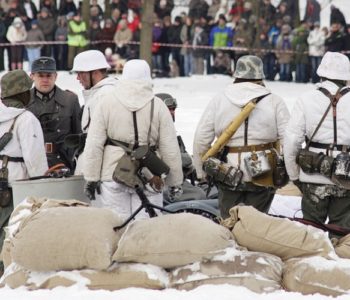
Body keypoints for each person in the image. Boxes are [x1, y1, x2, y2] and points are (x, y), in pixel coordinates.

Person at [82, 59, 183, 219]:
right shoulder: (158, 105)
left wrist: (91, 178)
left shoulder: (105, 103)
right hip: (149, 173)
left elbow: (94, 144)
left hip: (112, 173)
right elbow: (170, 147)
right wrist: (174, 182)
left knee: (117, 225)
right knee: (147, 230)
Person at [193, 55, 290, 219]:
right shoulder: (274, 101)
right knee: (256, 223)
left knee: (229, 221)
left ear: (236, 73)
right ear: (260, 74)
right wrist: (289, 169)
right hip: (263, 168)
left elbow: (201, 138)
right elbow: (289, 138)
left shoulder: (219, 99)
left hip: (227, 169)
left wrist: (200, 170)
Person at [284, 51, 350, 235]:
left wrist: (294, 175)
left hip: (312, 174)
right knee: (342, 233)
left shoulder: (306, 99)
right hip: (346, 177)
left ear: (322, 72)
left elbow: (291, 141)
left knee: (311, 234)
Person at [0, 70, 48, 274]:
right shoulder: (27, 119)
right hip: (16, 184)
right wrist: (42, 187)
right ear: (22, 93)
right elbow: (35, 159)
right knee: (11, 229)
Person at [27, 56, 82, 172]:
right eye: (40, 75)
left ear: (55, 76)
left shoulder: (70, 100)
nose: (45, 80)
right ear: (32, 76)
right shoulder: (23, 102)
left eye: (49, 75)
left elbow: (79, 136)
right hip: (32, 165)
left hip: (63, 163)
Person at [70, 49, 118, 175]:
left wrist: (91, 176)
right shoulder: (99, 94)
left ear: (95, 73)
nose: (77, 78)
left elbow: (97, 140)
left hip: (103, 169)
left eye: (81, 73)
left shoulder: (103, 96)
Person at [155, 92, 206, 201]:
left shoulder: (172, 132)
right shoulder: (154, 133)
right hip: (166, 184)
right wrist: (187, 160)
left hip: (180, 180)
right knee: (199, 195)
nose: (172, 112)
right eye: (169, 109)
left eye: (174, 109)